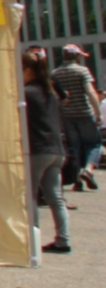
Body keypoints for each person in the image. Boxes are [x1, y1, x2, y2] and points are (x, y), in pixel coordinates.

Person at [23, 49, 71, 253]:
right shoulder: (50, 93)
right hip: (57, 150)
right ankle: (63, 240)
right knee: (55, 197)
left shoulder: (26, 93)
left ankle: (32, 239)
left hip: (38, 149)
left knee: (30, 195)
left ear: (27, 70)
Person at [52, 45, 101, 191]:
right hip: (85, 113)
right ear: (77, 56)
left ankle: (77, 178)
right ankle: (88, 171)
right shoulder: (82, 71)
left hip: (66, 115)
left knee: (74, 147)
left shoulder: (56, 73)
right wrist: (98, 113)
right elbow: (90, 92)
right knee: (94, 144)